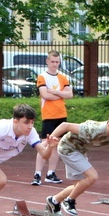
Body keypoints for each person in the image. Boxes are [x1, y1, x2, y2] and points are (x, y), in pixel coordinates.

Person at [45, 110, 109, 216]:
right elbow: (65, 125)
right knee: (92, 176)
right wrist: (49, 140)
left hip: (80, 151)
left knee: (79, 187)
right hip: (68, 149)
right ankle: (69, 201)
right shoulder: (93, 129)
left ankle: (54, 200)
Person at [33, 50, 72, 186]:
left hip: (61, 115)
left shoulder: (63, 77)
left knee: (55, 145)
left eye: (57, 62)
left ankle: (51, 173)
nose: (55, 64)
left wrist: (55, 92)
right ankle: (37, 174)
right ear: (47, 62)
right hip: (49, 115)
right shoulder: (42, 76)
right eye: (52, 62)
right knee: (45, 144)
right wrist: (61, 94)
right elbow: (45, 95)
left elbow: (70, 95)